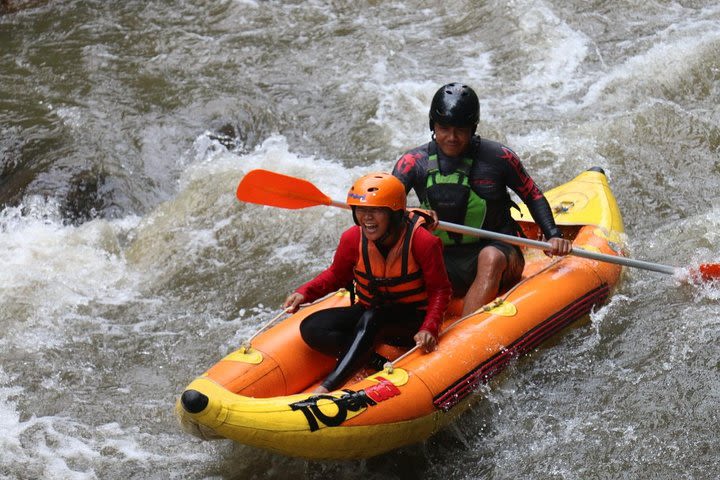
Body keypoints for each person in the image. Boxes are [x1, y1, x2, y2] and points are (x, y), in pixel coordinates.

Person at [392, 82, 572, 317]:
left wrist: (553, 234)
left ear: (473, 128)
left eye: (461, 129)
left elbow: (532, 194)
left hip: (499, 252)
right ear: (433, 126)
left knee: (490, 257)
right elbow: (388, 209)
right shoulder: (413, 162)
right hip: (441, 258)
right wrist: (412, 215)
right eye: (444, 128)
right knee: (401, 255)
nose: (452, 137)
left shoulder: (499, 157)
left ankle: (465, 332)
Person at [283, 173, 452, 394]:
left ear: (395, 214)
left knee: (373, 318)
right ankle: (374, 360)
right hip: (369, 310)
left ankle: (327, 388)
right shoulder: (352, 238)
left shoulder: (423, 241)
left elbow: (440, 289)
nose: (367, 218)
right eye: (361, 210)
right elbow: (336, 275)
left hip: (410, 320)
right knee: (312, 327)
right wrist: (305, 293)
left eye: (376, 210)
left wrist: (429, 327)